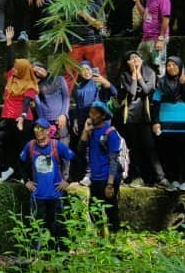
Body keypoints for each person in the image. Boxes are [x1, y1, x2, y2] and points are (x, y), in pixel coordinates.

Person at [21, 117, 76, 249]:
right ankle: (34, 258)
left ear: (47, 131)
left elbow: (76, 160)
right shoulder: (30, 146)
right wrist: (26, 181)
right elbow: (20, 163)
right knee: (36, 228)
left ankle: (62, 257)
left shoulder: (57, 145)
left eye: (41, 128)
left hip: (56, 195)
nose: (37, 131)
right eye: (35, 128)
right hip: (38, 195)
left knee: (59, 227)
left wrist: (68, 181)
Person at [117, 51, 165, 188]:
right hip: (130, 115)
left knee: (150, 147)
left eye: (137, 58)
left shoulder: (150, 72)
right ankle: (137, 177)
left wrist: (139, 76)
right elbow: (132, 93)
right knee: (134, 148)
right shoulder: (124, 75)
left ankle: (160, 177)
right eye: (131, 59)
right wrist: (133, 76)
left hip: (146, 115)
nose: (134, 60)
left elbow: (146, 90)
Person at [78, 102, 123, 233]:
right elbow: (80, 151)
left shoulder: (110, 133)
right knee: (94, 212)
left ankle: (115, 243)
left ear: (103, 116)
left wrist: (110, 184)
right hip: (95, 178)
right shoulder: (91, 132)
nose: (91, 116)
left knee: (111, 212)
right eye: (90, 112)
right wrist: (85, 131)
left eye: (95, 113)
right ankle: (101, 241)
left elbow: (113, 160)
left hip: (107, 178)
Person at [0, 48, 38, 181]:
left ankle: (25, 177)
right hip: (8, 119)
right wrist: (8, 44)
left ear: (24, 70)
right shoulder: (11, 77)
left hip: (23, 121)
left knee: (22, 149)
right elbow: (9, 63)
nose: (15, 70)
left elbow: (26, 102)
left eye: (17, 68)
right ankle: (6, 169)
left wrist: (23, 116)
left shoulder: (30, 85)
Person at [69, 61, 116, 183]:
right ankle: (89, 174)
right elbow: (76, 105)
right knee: (87, 149)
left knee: (101, 147)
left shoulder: (97, 82)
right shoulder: (78, 86)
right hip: (84, 121)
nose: (86, 71)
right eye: (82, 69)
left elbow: (114, 93)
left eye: (88, 69)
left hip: (100, 120)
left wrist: (104, 81)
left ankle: (107, 174)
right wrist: (74, 119)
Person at [154, 56, 185, 191]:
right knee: (169, 153)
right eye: (168, 65)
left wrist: (183, 84)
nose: (171, 68)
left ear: (180, 66)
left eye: (174, 65)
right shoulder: (161, 82)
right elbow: (156, 103)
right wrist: (156, 122)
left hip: (184, 122)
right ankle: (173, 180)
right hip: (166, 122)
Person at [133, 0, 172, 68]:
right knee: (140, 65)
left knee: (158, 67)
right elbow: (145, 16)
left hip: (157, 39)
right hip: (146, 38)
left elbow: (166, 19)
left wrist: (161, 39)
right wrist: (137, 1)